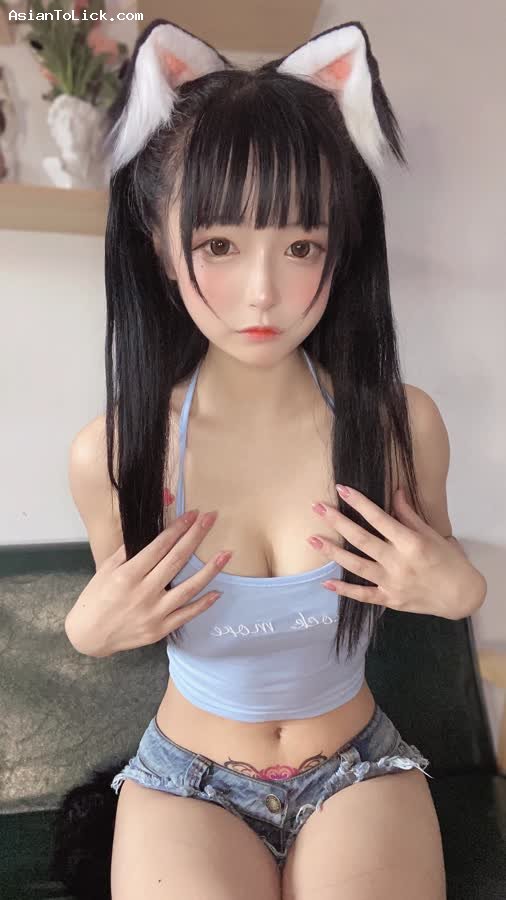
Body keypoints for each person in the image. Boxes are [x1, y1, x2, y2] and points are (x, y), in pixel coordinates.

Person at [59, 16, 485, 900]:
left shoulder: (401, 426)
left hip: (358, 770)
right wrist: (87, 632)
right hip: (185, 785)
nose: (263, 293)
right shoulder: (115, 451)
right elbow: (115, 605)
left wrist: (459, 591)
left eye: (300, 247)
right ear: (159, 245)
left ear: (340, 248)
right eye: (219, 245)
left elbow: (446, 577)